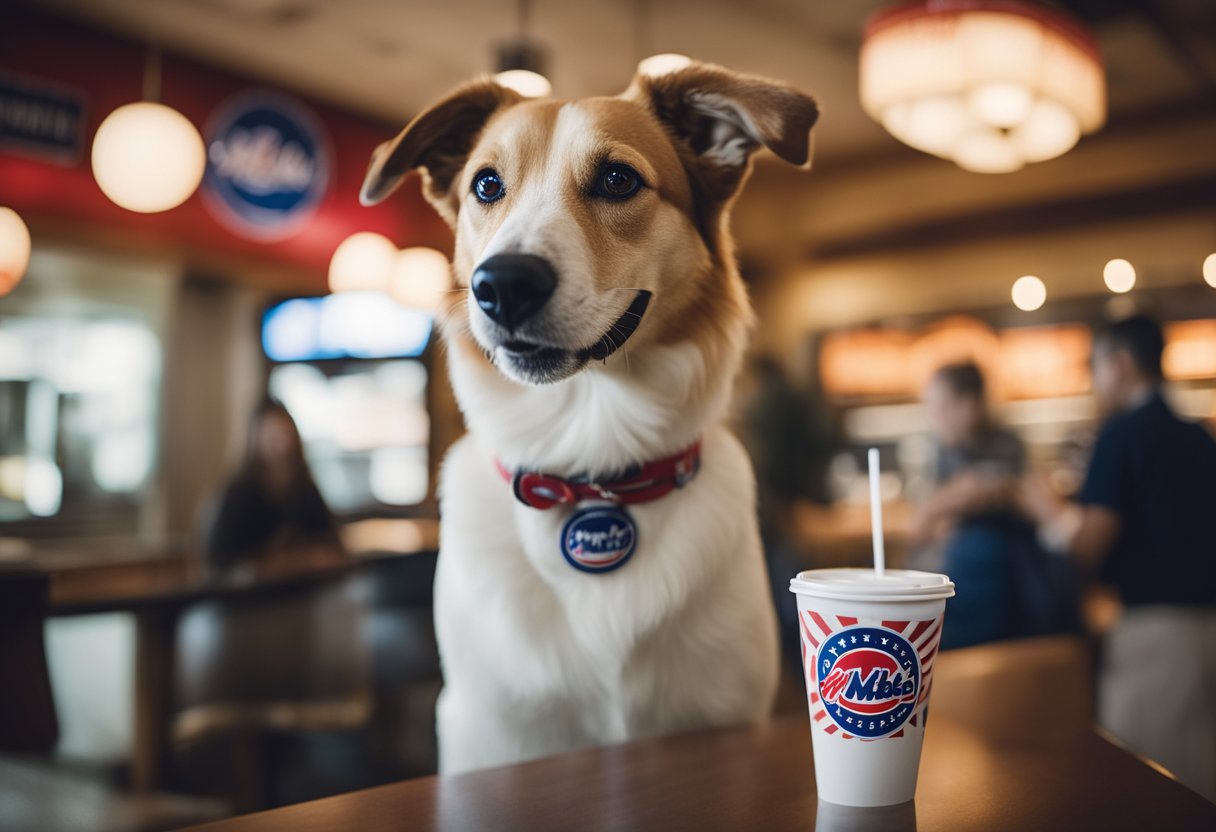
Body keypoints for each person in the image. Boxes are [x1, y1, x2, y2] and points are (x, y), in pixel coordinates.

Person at [1019, 315, 1216, 802]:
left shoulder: (1122, 434)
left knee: (1147, 788)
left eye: (1096, 366)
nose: (1093, 380)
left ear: (1121, 364)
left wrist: (1048, 515)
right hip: (1207, 629)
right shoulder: (1199, 436)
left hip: (1157, 636)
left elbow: (1090, 543)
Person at [914, 362, 1077, 649]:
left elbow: (1050, 516)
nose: (933, 418)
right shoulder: (945, 453)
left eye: (940, 407)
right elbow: (922, 528)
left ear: (969, 405)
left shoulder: (1006, 447)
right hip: (974, 586)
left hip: (1010, 590)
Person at [204, 399, 342, 573]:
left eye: (286, 434)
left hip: (304, 592)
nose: (283, 445)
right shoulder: (239, 495)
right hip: (250, 597)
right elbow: (218, 561)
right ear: (256, 441)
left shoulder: (305, 490)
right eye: (274, 437)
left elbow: (333, 545)